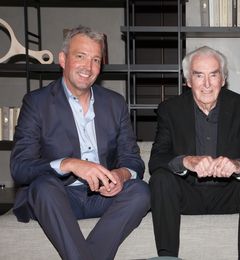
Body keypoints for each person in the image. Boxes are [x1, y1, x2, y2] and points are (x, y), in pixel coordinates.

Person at [10, 26, 150, 260]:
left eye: (96, 59)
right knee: (43, 187)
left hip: (102, 197)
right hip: (59, 196)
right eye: (80, 56)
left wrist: (120, 175)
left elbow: (133, 160)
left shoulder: (115, 103)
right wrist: (68, 164)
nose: (88, 66)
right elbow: (20, 167)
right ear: (63, 59)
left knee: (141, 191)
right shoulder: (37, 102)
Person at [148, 46, 240, 260]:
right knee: (160, 178)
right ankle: (167, 257)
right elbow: (157, 159)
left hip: (229, 193)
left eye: (213, 75)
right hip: (187, 194)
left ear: (223, 79)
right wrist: (186, 161)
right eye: (198, 75)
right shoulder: (170, 109)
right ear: (188, 81)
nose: (206, 84)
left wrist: (237, 165)